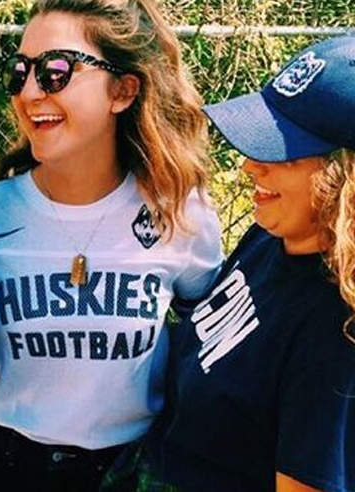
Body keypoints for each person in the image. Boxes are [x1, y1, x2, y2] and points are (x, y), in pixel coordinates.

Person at [0, 0, 224, 491]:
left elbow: (210, 355)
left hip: (132, 470)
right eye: (21, 71)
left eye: (56, 71)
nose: (29, 92)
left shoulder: (179, 211)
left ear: (123, 90)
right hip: (5, 468)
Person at [101, 35, 355, 492]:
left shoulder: (337, 331)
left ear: (345, 178)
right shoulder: (273, 236)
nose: (251, 167)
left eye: (283, 151)